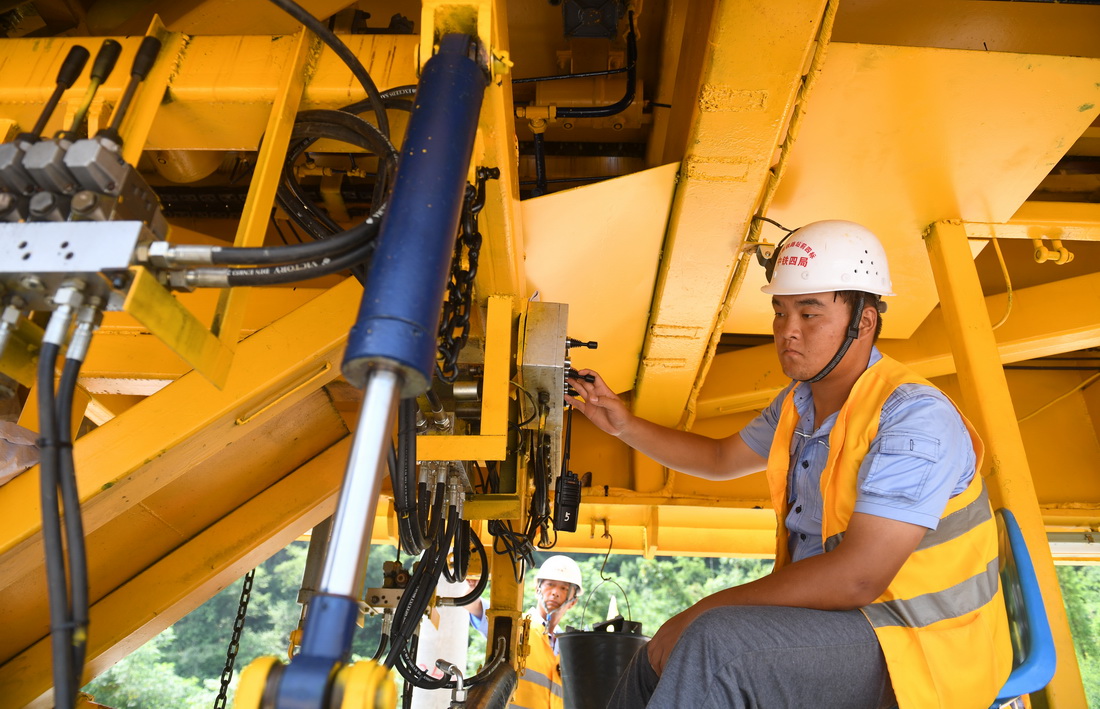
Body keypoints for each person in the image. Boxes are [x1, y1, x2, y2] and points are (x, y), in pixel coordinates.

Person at [566, 220, 1012, 709]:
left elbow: (859, 578)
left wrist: (700, 610)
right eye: (780, 312)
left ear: (864, 322)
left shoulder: (912, 418)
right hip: (842, 623)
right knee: (655, 657)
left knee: (715, 645)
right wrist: (624, 426)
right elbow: (719, 458)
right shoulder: (799, 404)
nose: (787, 332)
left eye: (809, 313)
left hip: (917, 644)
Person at [466, 555, 583, 709]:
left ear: (573, 602)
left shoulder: (567, 648)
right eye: (550, 584)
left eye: (564, 588)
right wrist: (472, 590)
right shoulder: (515, 625)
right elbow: (473, 605)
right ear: (537, 589)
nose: (555, 592)